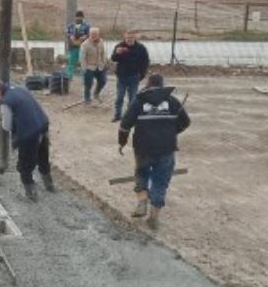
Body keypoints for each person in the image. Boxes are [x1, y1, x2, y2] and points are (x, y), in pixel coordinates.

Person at [118, 74, 190, 231]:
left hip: (143, 147)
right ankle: (154, 217)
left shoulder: (139, 101)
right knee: (161, 180)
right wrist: (173, 132)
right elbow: (186, 122)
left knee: (142, 173)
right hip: (166, 148)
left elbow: (125, 125)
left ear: (148, 85)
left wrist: (122, 143)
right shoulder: (172, 101)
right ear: (162, 85)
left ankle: (142, 202)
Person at [0, 80, 54, 202]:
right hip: (42, 125)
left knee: (25, 166)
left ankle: (31, 195)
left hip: (29, 133)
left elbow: (6, 126)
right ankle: (49, 185)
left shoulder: (5, 101)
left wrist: (1, 119)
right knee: (43, 157)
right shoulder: (20, 88)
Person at [111, 30, 150, 123]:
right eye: (127, 38)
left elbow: (146, 61)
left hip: (134, 76)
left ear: (135, 38)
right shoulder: (119, 46)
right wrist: (118, 53)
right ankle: (117, 115)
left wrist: (142, 74)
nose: (129, 40)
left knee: (132, 98)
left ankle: (130, 116)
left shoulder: (141, 48)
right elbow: (113, 58)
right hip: (122, 76)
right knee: (119, 97)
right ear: (124, 38)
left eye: (131, 38)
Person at [79, 27, 108, 103]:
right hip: (89, 66)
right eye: (92, 34)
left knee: (103, 81)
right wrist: (84, 68)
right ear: (89, 34)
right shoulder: (85, 44)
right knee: (88, 84)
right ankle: (87, 98)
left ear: (98, 35)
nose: (94, 36)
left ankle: (96, 93)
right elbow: (82, 58)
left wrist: (104, 62)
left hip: (100, 66)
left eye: (96, 34)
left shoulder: (101, 41)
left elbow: (103, 53)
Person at [66, 10, 91, 76]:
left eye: (80, 17)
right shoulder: (70, 25)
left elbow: (89, 34)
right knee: (71, 62)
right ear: (75, 17)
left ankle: (85, 76)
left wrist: (84, 37)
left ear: (83, 18)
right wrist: (71, 36)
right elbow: (67, 33)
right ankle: (69, 76)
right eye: (77, 17)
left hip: (83, 46)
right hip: (73, 46)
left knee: (83, 62)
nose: (78, 19)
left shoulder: (87, 25)